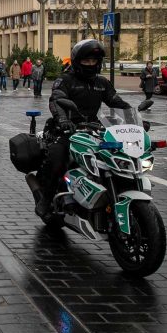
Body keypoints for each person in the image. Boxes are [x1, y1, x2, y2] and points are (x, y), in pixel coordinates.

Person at [36, 39, 131, 221]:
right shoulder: (65, 80)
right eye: (86, 61)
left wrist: (135, 120)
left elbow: (117, 102)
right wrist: (63, 120)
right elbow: (56, 100)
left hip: (93, 130)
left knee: (115, 155)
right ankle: (46, 200)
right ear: (77, 61)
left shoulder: (101, 83)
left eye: (93, 61)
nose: (90, 64)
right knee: (57, 160)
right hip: (66, 130)